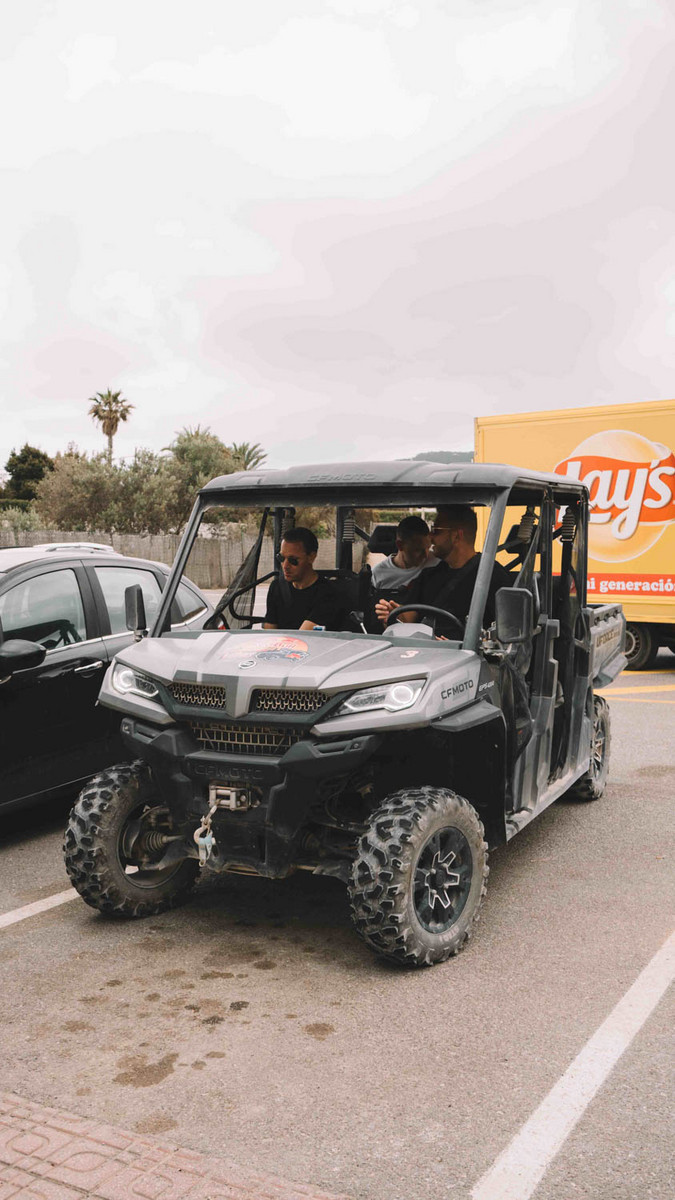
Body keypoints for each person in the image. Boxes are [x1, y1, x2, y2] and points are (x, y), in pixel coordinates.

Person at [375, 504, 512, 633]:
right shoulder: (429, 575)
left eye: (436, 531)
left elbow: (508, 632)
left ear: (456, 536)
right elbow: (408, 617)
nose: (430, 537)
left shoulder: (493, 577)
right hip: (423, 648)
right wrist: (393, 614)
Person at [264, 527, 339, 631]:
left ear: (311, 557)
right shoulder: (277, 587)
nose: (285, 565)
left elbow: (304, 634)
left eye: (293, 560)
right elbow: (269, 631)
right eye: (281, 558)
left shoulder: (327, 593)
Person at [370, 515, 438, 592]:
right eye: (418, 550)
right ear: (400, 545)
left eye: (428, 548)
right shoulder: (377, 575)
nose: (425, 555)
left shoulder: (438, 564)